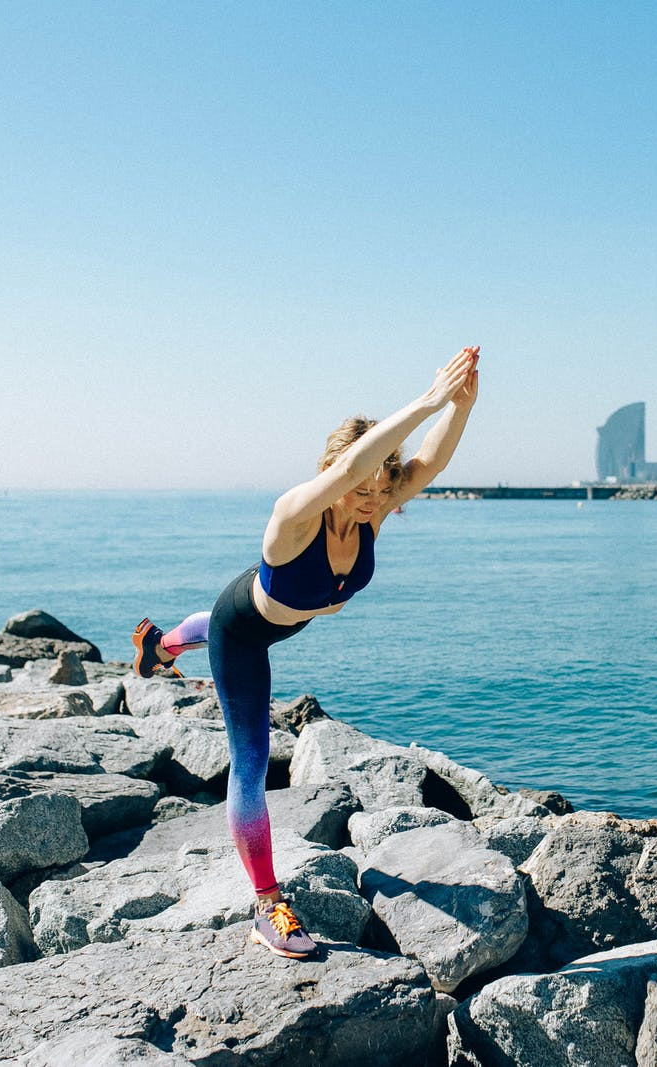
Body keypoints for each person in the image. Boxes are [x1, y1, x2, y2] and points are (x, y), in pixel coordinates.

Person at [131, 347, 480, 959]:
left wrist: (460, 405)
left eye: (383, 488)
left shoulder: (372, 513)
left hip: (279, 620)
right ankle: (267, 902)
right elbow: (351, 470)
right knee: (252, 758)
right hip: (245, 631)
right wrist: (425, 400)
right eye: (362, 486)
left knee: (203, 625)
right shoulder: (295, 514)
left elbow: (427, 463)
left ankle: (158, 647)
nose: (373, 498)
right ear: (338, 475)